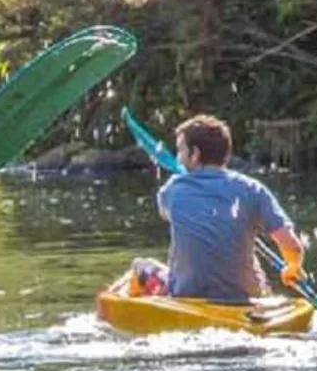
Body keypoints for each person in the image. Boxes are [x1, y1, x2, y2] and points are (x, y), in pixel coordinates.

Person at [131, 114, 307, 303]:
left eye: (181, 151)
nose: (178, 158)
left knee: (140, 265)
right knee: (260, 279)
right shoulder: (253, 189)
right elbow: (292, 245)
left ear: (195, 154)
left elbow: (166, 213)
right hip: (245, 299)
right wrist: (292, 267)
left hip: (187, 297)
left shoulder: (172, 190)